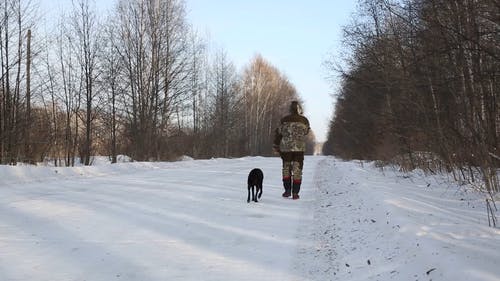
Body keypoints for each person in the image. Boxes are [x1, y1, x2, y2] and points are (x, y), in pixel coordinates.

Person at [273, 101, 310, 200]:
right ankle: (295, 193)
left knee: (286, 169)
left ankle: (287, 191)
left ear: (290, 109)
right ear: (299, 109)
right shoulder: (304, 120)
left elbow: (278, 133)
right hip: (299, 148)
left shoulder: (284, 120)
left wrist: (276, 145)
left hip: (286, 148)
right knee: (297, 170)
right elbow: (306, 131)